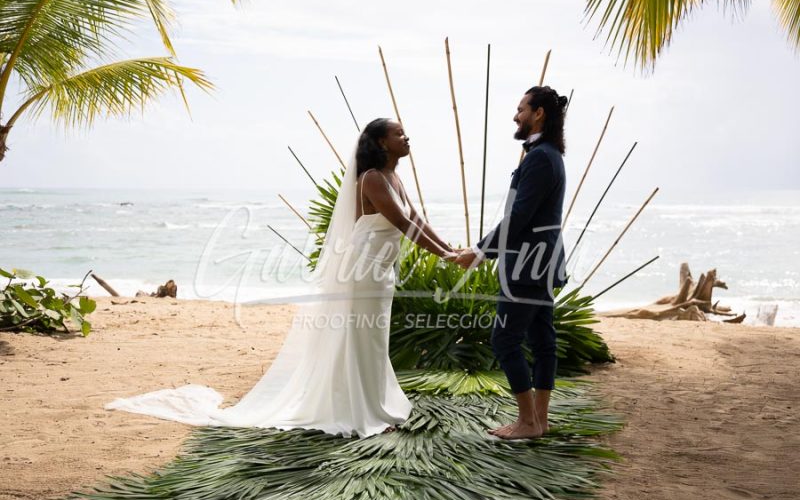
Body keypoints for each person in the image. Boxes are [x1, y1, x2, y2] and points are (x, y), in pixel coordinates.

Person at [106, 118, 456, 438]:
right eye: (398, 133)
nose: (406, 136)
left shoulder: (394, 177)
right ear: (380, 142)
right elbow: (403, 223)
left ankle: (374, 403)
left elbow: (418, 219)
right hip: (363, 268)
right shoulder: (372, 179)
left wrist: (450, 251)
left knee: (374, 336)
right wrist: (446, 256)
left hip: (381, 269)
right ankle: (360, 410)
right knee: (361, 335)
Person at [454, 85, 568, 440]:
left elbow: (518, 217)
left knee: (504, 339)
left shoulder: (539, 157)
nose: (516, 115)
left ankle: (528, 422)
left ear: (539, 114)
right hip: (542, 263)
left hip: (527, 265)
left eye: (521, 109)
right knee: (541, 340)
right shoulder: (548, 155)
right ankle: (539, 420)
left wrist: (480, 251)